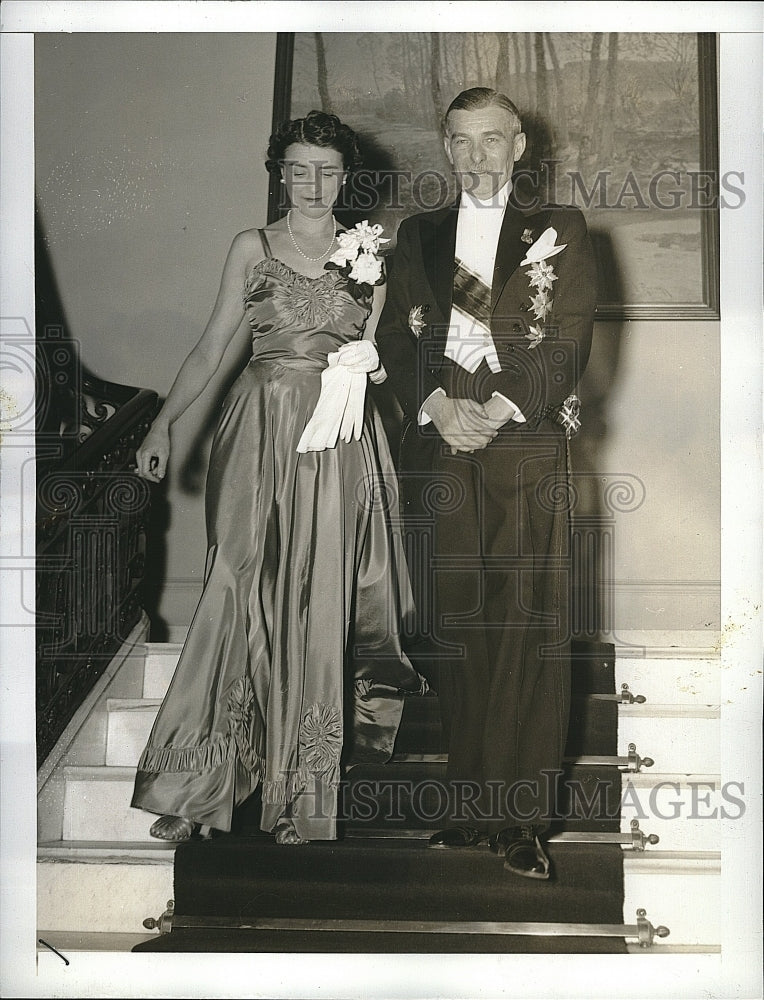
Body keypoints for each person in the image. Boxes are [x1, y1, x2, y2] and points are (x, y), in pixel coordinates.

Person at [131, 110, 424, 846]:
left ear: (346, 177)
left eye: (328, 169)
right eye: (299, 168)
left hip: (342, 441)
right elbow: (209, 350)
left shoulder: (371, 255)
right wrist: (164, 422)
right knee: (236, 587)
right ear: (281, 173)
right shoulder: (251, 247)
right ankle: (199, 786)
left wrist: (374, 362)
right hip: (259, 432)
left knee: (323, 599)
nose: (314, 183)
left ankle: (303, 790)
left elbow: (379, 357)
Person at [375, 88, 597, 879]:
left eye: (492, 141)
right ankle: (472, 809)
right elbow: (395, 342)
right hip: (440, 444)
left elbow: (567, 337)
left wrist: (497, 409)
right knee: (457, 622)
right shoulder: (418, 237)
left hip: (525, 442)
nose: (476, 157)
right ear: (446, 145)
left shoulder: (559, 229)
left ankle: (524, 818)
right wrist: (437, 406)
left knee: (527, 625)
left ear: (518, 147)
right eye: (461, 142)